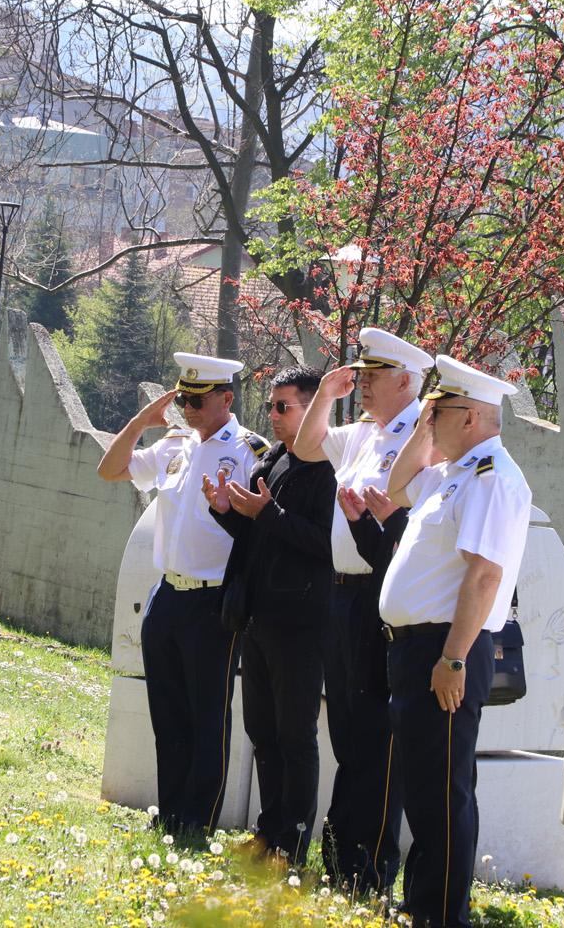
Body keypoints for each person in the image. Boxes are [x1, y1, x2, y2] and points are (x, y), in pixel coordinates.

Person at [380, 354, 532, 928]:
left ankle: (442, 916)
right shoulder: (453, 473)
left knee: (442, 793)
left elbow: (484, 577)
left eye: (436, 411)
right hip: (414, 649)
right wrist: (423, 429)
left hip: (443, 651)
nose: (426, 420)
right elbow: (395, 488)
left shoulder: (492, 478)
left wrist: (453, 658)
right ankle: (424, 906)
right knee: (424, 788)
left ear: (468, 417)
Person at [97, 352, 268, 835]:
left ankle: (198, 820)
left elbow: (260, 529)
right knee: (168, 713)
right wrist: (139, 423)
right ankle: (170, 812)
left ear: (226, 399)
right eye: (184, 398)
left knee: (208, 716)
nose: (187, 408)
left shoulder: (252, 452)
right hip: (167, 595)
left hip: (214, 601)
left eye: (197, 399)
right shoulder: (175, 444)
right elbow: (110, 470)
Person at [290, 327, 433, 894]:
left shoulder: (422, 437)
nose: (364, 386)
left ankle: (368, 867)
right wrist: (326, 393)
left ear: (405, 381)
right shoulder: (366, 435)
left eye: (373, 378)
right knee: (348, 732)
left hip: (382, 596)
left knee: (377, 738)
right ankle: (342, 856)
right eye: (362, 377)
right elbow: (306, 446)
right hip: (341, 593)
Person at [201, 366, 334, 866]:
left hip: (299, 625)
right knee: (262, 729)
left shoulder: (330, 470)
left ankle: (294, 844)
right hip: (257, 618)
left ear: (313, 408)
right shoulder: (276, 458)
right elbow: (260, 533)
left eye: (285, 407)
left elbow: (326, 545)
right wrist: (226, 511)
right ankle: (269, 829)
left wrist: (268, 515)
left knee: (296, 736)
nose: (273, 417)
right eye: (272, 407)